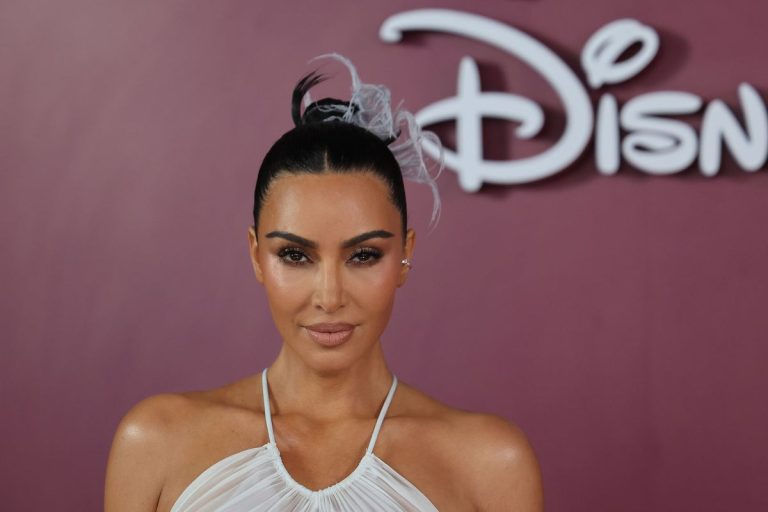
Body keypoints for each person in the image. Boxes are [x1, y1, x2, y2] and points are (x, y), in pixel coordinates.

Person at [104, 53, 543, 511]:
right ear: (256, 255)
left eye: (363, 256)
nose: (329, 297)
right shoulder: (155, 442)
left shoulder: (489, 464)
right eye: (295, 256)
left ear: (405, 254)